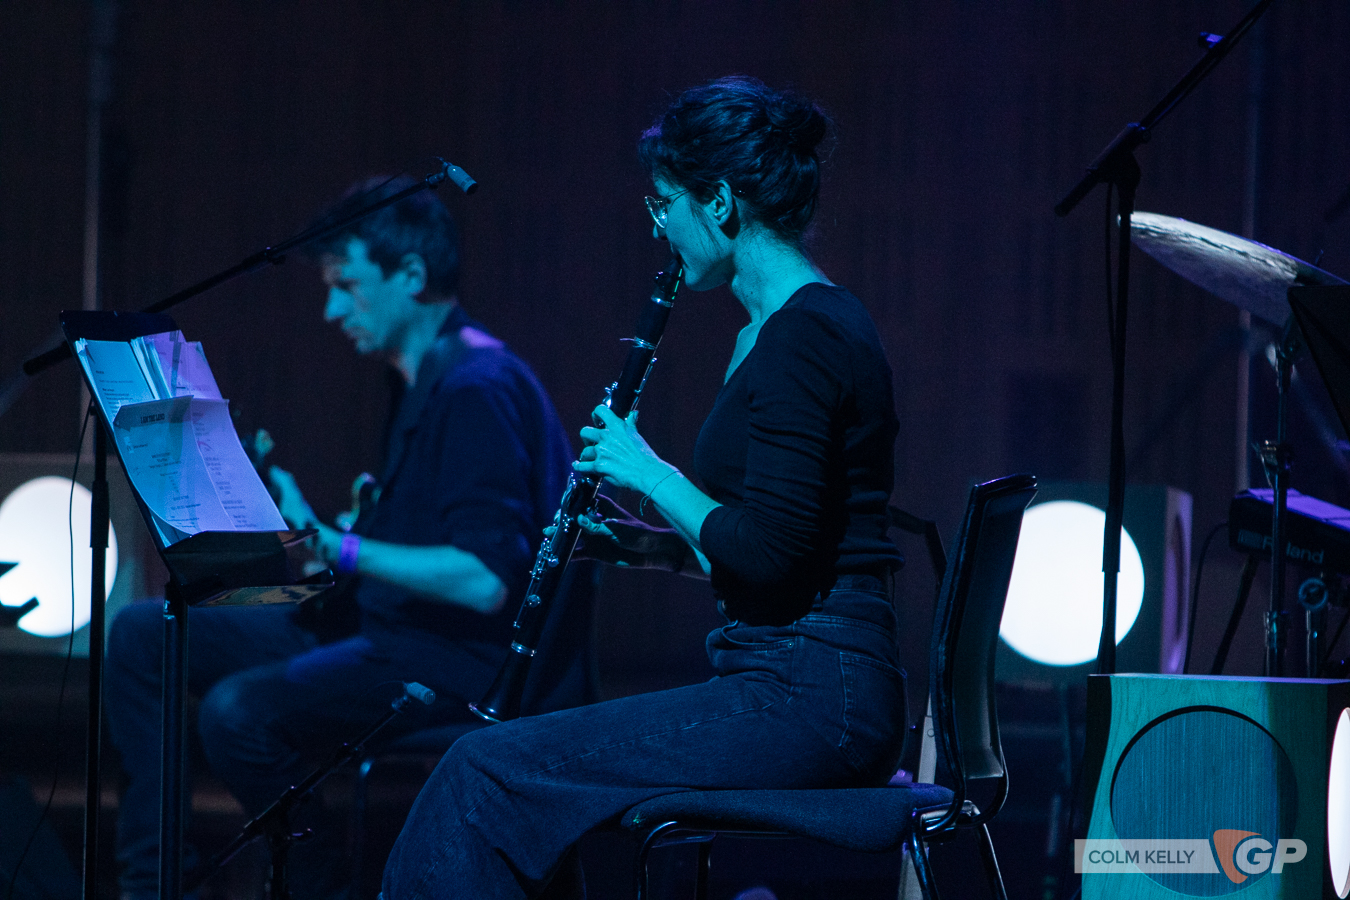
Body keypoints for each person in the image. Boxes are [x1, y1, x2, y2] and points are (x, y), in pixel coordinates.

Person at [381, 76, 908, 900]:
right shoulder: (772, 330)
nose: (660, 228)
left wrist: (647, 470)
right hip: (790, 673)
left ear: (722, 203)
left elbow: (770, 558)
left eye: (665, 205)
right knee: (520, 783)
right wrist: (642, 544)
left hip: (813, 693)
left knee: (483, 771)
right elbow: (777, 540)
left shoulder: (807, 335)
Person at [104, 176, 587, 900]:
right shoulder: (428, 376)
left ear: (412, 276)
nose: (332, 310)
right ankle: (154, 886)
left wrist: (343, 547)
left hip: (448, 661)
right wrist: (345, 528)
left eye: (348, 286)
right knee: (146, 635)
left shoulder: (475, 386)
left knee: (236, 713)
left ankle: (320, 884)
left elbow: (486, 579)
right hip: (382, 626)